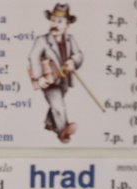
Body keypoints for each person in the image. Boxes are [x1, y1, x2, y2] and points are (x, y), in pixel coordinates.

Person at [27, 3, 84, 144]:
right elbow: (33, 58)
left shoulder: (70, 39)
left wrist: (73, 61)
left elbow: (79, 54)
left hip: (64, 80)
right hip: (49, 80)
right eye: (52, 20)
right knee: (58, 106)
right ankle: (63, 132)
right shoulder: (42, 40)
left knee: (57, 103)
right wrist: (39, 78)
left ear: (67, 25)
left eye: (59, 21)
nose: (55, 24)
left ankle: (50, 123)